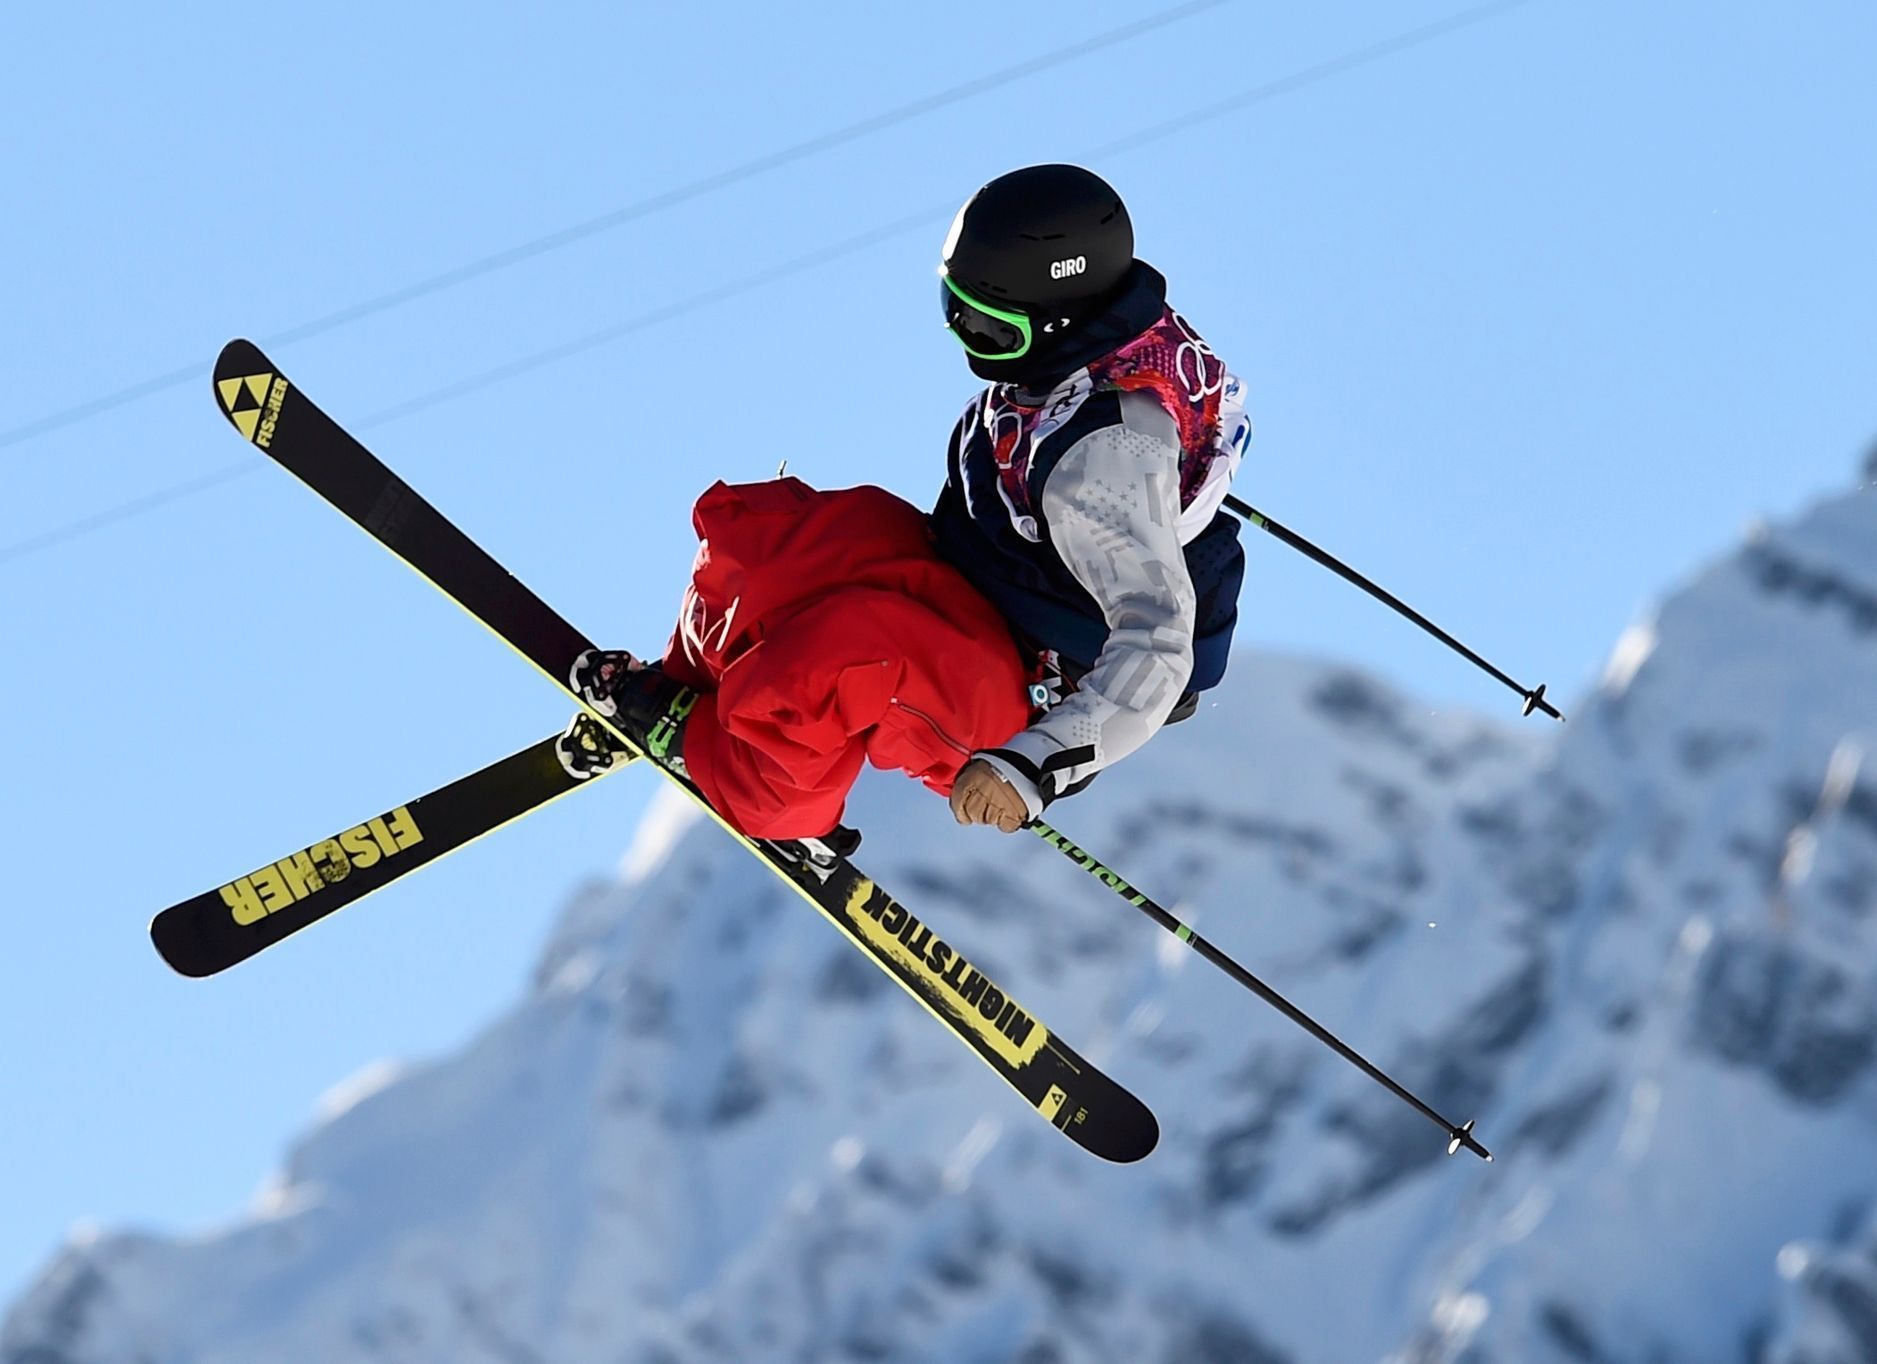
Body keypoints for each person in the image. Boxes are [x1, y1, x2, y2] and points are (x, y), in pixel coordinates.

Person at [563, 163, 1249, 843]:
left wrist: (1033, 764)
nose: (968, 342)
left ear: (1059, 320)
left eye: (991, 331)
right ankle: (691, 695)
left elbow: (1158, 646)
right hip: (992, 585)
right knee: (792, 539)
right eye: (956, 311)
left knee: (854, 654)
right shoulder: (1078, 357)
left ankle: (762, 791)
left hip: (1037, 695)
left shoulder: (1102, 461)